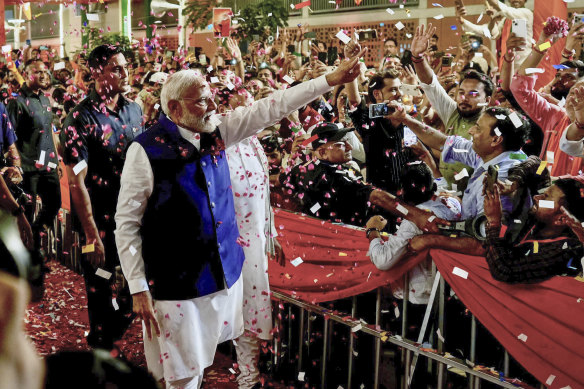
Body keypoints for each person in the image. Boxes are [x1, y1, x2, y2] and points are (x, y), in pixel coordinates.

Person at [114, 50, 369, 389]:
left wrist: (329, 81)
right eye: (201, 102)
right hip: (175, 286)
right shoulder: (144, 150)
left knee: (201, 365)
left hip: (223, 276)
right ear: (174, 108)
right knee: (182, 376)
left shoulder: (217, 130)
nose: (212, 107)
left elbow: (272, 106)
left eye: (210, 98)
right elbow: (127, 224)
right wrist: (137, 287)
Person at [61, 44, 144, 351]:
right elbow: (76, 182)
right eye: (116, 68)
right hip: (96, 226)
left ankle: (106, 337)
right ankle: (100, 349)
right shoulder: (79, 119)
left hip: (132, 221)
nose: (125, 73)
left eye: (126, 67)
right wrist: (91, 234)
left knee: (131, 291)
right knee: (100, 288)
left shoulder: (135, 109)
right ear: (96, 73)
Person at [391, 105, 531, 254]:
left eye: (477, 128)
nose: (471, 131)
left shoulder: (499, 182)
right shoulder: (499, 152)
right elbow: (443, 142)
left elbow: (483, 243)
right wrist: (405, 119)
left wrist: (429, 240)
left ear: (496, 139)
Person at [282, 123, 450, 230]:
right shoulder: (337, 176)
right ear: (323, 152)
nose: (349, 146)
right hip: (347, 237)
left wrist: (304, 144)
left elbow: (284, 186)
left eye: (346, 140)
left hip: (318, 234)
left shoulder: (299, 169)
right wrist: (417, 215)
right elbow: (377, 197)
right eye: (341, 144)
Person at [226, 135, 284, 389]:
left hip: (254, 247)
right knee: (209, 315)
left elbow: (264, 195)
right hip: (221, 244)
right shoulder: (210, 140)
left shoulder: (254, 142)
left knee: (250, 310)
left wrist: (271, 234)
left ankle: (248, 378)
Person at [410, 24, 494, 190]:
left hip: (477, 195)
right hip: (446, 190)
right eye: (461, 92)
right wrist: (417, 57)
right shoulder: (454, 111)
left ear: (488, 100)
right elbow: (430, 84)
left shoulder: (493, 125)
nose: (464, 98)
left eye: (473, 94)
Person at [365, 162, 461, 305]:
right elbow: (455, 197)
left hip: (421, 299)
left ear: (402, 191)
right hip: (451, 291)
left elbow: (383, 260)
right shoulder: (452, 203)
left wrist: (372, 230)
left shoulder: (416, 221)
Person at [344, 39, 415, 194]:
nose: (400, 94)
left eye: (400, 89)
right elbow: (355, 101)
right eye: (394, 90)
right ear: (377, 93)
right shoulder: (369, 118)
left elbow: (417, 153)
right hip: (379, 197)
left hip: (409, 197)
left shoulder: (409, 120)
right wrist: (350, 61)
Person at [510, 29, 584, 177]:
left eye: (569, 77)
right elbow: (519, 87)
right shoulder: (555, 115)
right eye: (558, 76)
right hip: (544, 194)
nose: (560, 81)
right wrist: (543, 44)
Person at [483, 177, 584, 283]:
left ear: (561, 219)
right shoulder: (537, 220)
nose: (536, 197)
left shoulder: (565, 252)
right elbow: (536, 166)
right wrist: (512, 187)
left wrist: (493, 223)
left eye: (545, 198)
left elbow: (505, 270)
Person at [6, 59, 61, 242]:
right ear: (27, 74)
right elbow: (9, 138)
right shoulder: (17, 102)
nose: (44, 75)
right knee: (26, 213)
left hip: (49, 165)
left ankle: (35, 239)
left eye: (45, 71)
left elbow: (50, 130)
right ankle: (27, 257)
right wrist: (13, 166)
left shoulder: (45, 99)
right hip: (29, 169)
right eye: (37, 72)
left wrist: (57, 159)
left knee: (54, 204)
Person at [456, 0, 533, 66]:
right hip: (507, 64)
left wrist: (494, 5)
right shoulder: (505, 20)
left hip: (523, 64)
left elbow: (504, 9)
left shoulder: (526, 13)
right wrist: (462, 21)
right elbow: (491, 33)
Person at [560, 83, 584, 158]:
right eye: (572, 93)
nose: (575, 99)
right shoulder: (557, 115)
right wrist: (580, 123)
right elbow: (568, 147)